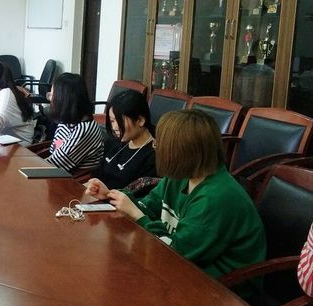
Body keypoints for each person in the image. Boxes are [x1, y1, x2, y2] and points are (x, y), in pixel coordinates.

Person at [85, 109, 266, 279]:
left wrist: (138, 216)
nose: (156, 147)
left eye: (161, 143)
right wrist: (111, 195)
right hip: (181, 267)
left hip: (219, 286)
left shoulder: (216, 198)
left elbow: (176, 255)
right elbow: (148, 206)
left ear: (184, 152)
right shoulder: (180, 176)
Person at [87, 89, 156, 191]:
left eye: (120, 121)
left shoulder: (152, 156)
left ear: (140, 120)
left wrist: (107, 194)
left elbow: (138, 194)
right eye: (112, 121)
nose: (115, 127)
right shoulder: (114, 142)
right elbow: (97, 174)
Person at [43, 72, 105, 175]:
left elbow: (56, 164)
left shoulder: (83, 130)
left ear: (64, 100)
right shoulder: (67, 120)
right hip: (56, 172)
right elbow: (55, 150)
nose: (50, 99)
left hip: (71, 180)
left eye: (52, 95)